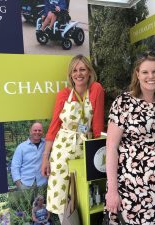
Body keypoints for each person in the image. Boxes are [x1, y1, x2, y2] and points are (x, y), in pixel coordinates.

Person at [105, 51, 155, 224]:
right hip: (130, 185)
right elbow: (111, 147)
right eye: (145, 72)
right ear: (137, 74)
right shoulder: (124, 102)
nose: (150, 76)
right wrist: (112, 190)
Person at [41, 54, 104, 223]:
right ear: (70, 74)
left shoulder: (96, 89)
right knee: (61, 197)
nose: (79, 74)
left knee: (84, 195)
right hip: (62, 151)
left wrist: (97, 157)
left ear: (90, 72)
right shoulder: (64, 94)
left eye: (82, 69)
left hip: (84, 149)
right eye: (74, 70)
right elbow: (54, 126)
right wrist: (45, 158)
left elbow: (97, 128)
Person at [11, 122, 47, 189]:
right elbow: (15, 167)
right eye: (35, 130)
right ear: (30, 131)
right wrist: (20, 185)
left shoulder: (46, 144)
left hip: (43, 183)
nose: (37, 132)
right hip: (25, 184)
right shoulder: (21, 147)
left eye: (39, 130)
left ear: (42, 132)